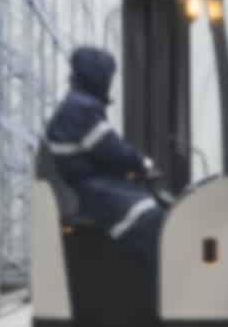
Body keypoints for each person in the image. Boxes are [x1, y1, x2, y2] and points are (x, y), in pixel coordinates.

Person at [44, 47, 164, 266]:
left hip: (91, 187)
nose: (110, 81)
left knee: (148, 214)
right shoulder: (81, 108)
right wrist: (143, 164)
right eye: (108, 76)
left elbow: (106, 151)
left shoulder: (76, 105)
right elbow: (114, 151)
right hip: (95, 192)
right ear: (96, 75)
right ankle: (154, 289)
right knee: (150, 218)